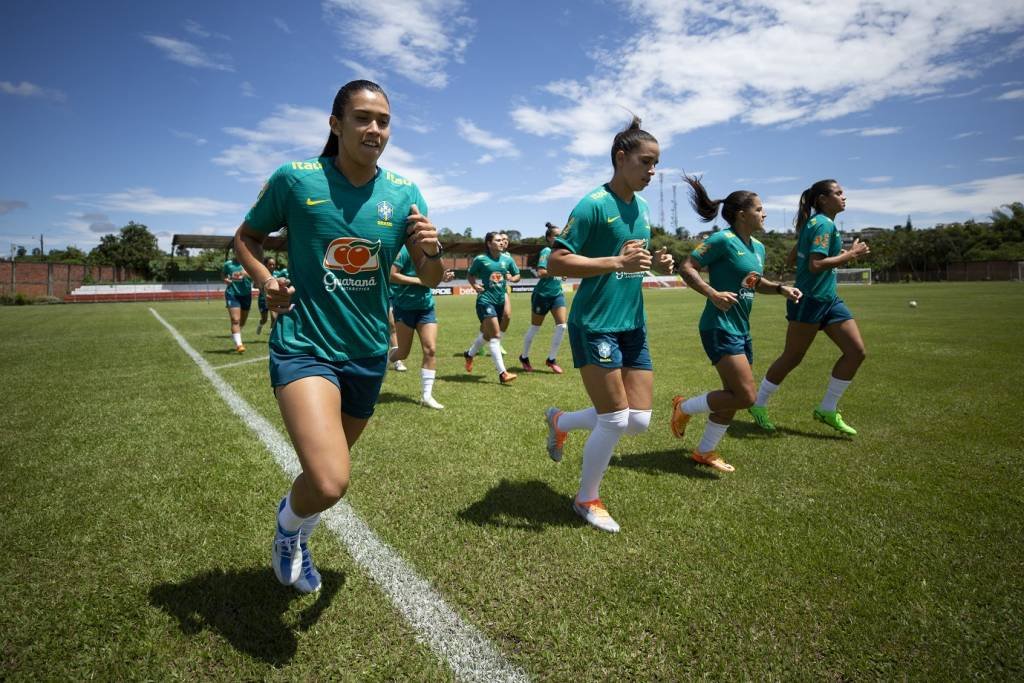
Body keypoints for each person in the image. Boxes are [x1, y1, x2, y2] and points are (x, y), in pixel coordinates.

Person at [233, 79, 443, 593]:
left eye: (384, 120)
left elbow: (432, 279)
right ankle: (288, 532)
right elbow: (246, 238)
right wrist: (267, 282)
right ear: (336, 124)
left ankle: (299, 527)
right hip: (305, 344)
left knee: (327, 479)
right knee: (330, 480)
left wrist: (432, 252)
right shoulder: (296, 179)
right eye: (363, 118)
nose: (375, 129)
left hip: (369, 352)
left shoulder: (404, 192)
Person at [542, 116, 674, 533]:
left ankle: (560, 422)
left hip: (633, 322)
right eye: (646, 162)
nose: (652, 172)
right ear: (621, 157)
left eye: (656, 164)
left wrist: (658, 262)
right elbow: (555, 262)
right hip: (595, 323)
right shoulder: (593, 205)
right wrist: (617, 261)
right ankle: (587, 499)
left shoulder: (644, 207)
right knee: (615, 420)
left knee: (637, 421)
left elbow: (634, 259)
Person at [670, 176, 802, 472]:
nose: (764, 213)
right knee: (745, 396)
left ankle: (705, 451)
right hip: (718, 326)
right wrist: (712, 293)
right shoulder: (720, 240)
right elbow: (687, 267)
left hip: (742, 328)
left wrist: (780, 288)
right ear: (742, 214)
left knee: (732, 395)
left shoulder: (758, 248)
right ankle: (684, 407)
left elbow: (752, 283)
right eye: (759, 209)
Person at [749, 179, 869, 435]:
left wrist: (807, 254)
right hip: (811, 299)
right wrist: (851, 254)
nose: (844, 197)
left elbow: (794, 257)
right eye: (838, 193)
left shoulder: (816, 223)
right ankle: (757, 405)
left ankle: (827, 409)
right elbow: (815, 264)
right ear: (823, 199)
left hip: (829, 299)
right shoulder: (823, 223)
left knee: (856, 351)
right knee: (793, 357)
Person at [389, 245, 455, 408]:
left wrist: (443, 278)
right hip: (404, 307)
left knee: (430, 349)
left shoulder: (433, 251)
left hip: (426, 307)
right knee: (403, 353)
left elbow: (434, 278)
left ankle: (427, 396)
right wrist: (420, 281)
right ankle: (385, 361)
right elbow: (391, 275)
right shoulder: (404, 251)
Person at [463, 231, 521, 384]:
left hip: (500, 301)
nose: (502, 242)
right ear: (489, 244)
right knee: (495, 336)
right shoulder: (481, 259)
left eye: (502, 240)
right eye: (497, 240)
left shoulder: (508, 259)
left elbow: (517, 275)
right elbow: (470, 275)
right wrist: (475, 285)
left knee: (487, 336)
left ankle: (469, 354)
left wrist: (512, 278)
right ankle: (503, 374)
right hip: (485, 301)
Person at [519, 222, 568, 374]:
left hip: (557, 294)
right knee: (535, 328)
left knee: (562, 326)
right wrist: (557, 270)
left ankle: (551, 359)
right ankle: (524, 357)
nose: (560, 238)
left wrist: (563, 272)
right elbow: (541, 272)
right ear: (549, 238)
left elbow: (561, 271)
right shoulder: (547, 251)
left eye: (562, 236)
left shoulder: (562, 252)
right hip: (542, 295)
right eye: (556, 236)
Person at [222, 254, 252, 353]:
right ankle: (239, 345)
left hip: (246, 295)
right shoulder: (228, 264)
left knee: (242, 322)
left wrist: (246, 274)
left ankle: (235, 334)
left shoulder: (250, 263)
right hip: (232, 294)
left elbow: (256, 277)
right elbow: (223, 275)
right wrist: (225, 280)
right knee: (235, 320)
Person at [255, 256, 285, 335]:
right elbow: (255, 285)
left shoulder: (278, 274)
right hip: (263, 299)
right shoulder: (261, 275)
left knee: (274, 318)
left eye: (273, 265)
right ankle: (260, 325)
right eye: (270, 264)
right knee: (264, 319)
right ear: (266, 265)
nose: (272, 266)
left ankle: (272, 335)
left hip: (273, 299)